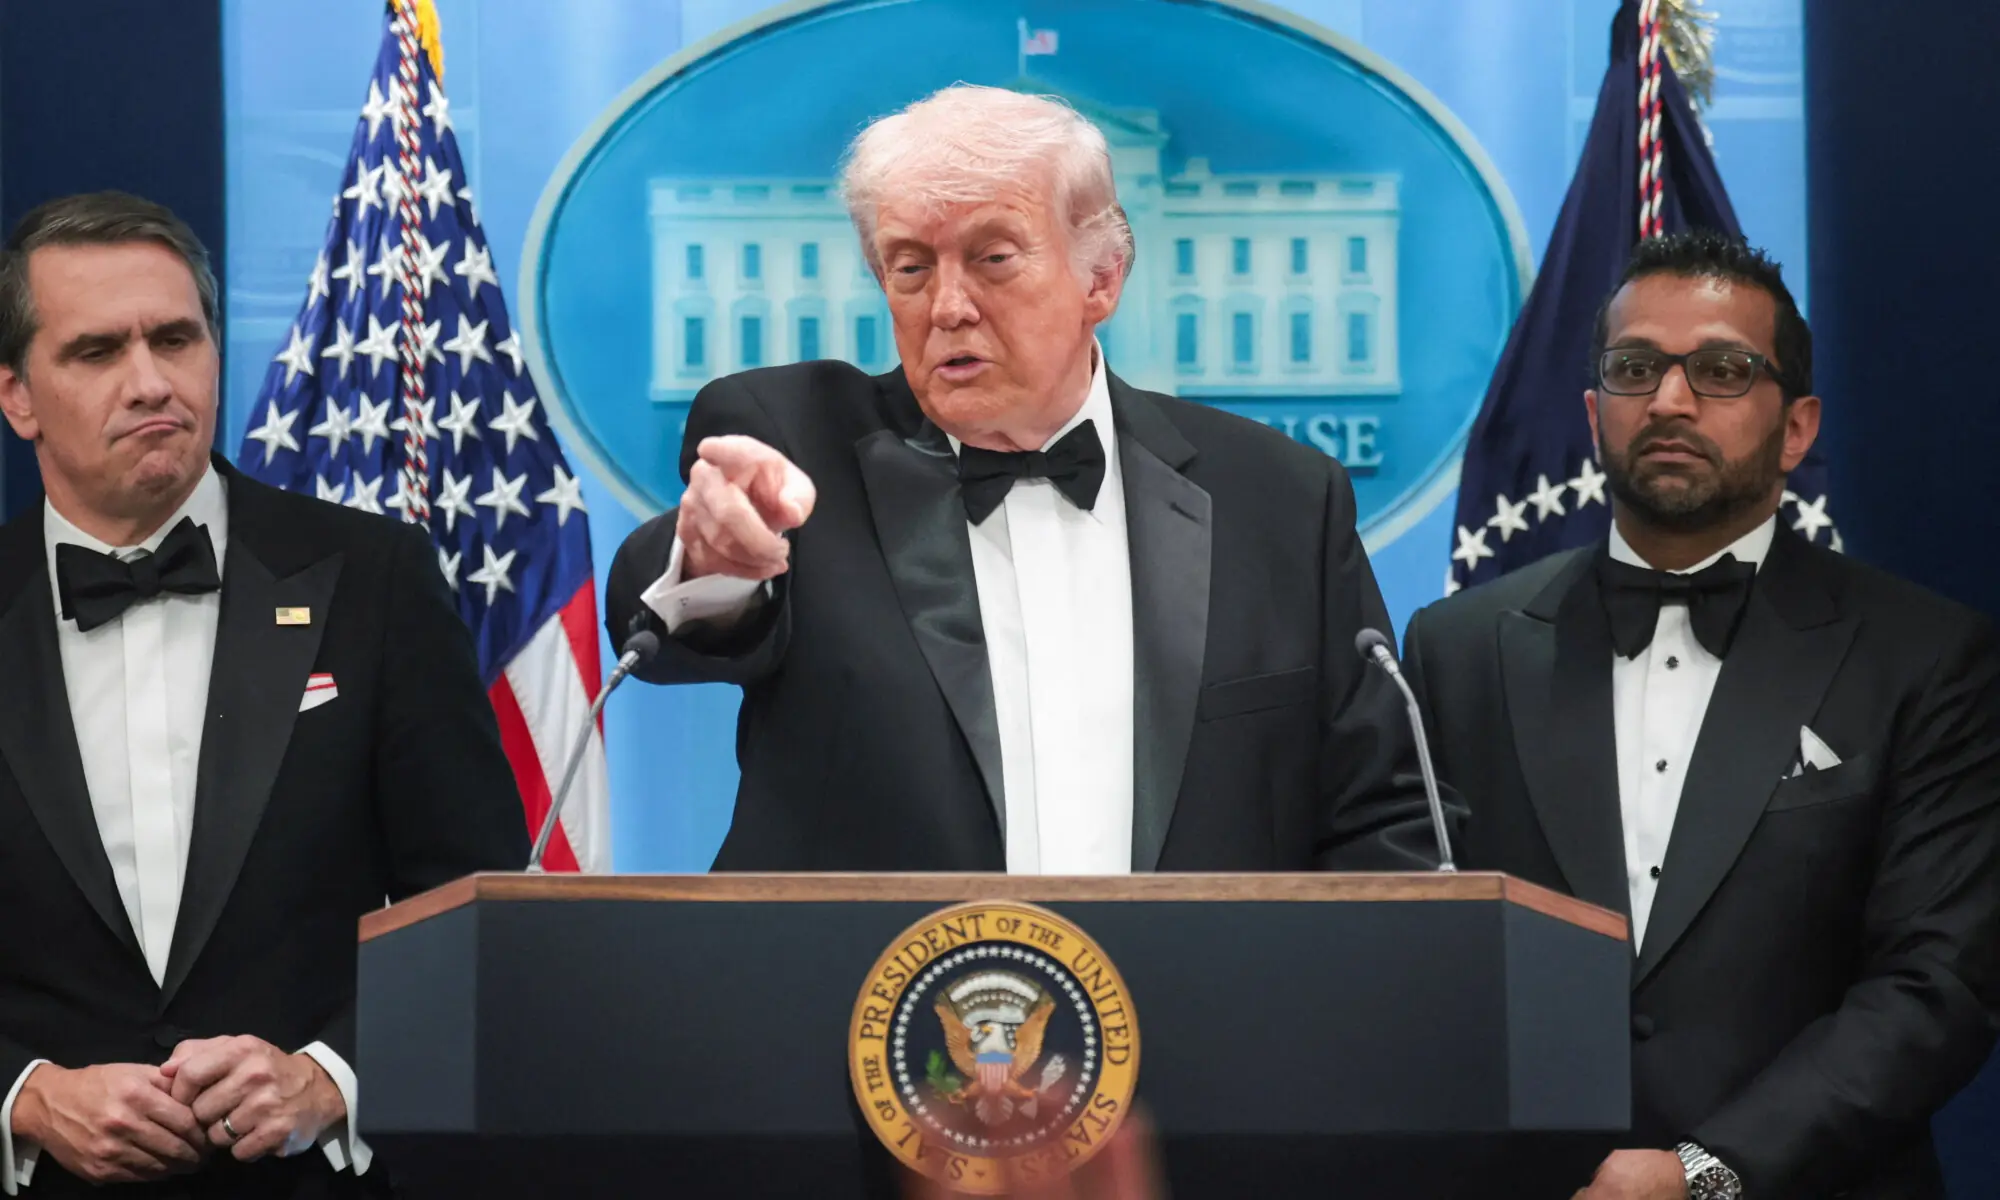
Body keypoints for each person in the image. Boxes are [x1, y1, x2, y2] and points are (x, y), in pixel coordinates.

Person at [604, 85, 1451, 874]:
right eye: (910, 267)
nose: (948, 306)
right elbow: (670, 622)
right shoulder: (796, 445)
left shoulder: (1280, 498)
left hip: (1199, 1018)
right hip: (861, 1017)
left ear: (1101, 278)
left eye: (994, 258)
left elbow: (1386, 817)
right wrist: (711, 567)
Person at [1403, 230, 2000, 1200]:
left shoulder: (1925, 659)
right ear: (1595, 411)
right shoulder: (1454, 648)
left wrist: (1707, 1171)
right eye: (1636, 368)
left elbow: (1938, 985)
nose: (1670, 401)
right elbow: (1419, 963)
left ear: (1796, 427)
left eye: (1721, 369)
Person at [0, 192, 527, 1196]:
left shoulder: (376, 579)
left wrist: (325, 1079)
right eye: (97, 352)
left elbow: (474, 907)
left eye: (175, 338)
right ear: (18, 395)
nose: (151, 381)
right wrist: (24, 1095)